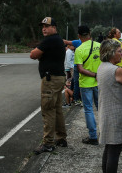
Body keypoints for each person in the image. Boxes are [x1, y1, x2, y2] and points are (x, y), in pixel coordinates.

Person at [97, 39, 122, 173]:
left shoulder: (102, 67)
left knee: (109, 147)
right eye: (119, 51)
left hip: (106, 111)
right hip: (116, 114)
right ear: (111, 53)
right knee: (115, 149)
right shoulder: (116, 70)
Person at [30, 17, 68, 154]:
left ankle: (48, 143)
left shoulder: (49, 40)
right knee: (57, 109)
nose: (44, 28)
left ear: (54, 27)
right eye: (42, 26)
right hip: (59, 77)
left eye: (47, 26)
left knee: (48, 110)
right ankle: (61, 138)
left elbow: (33, 54)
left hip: (50, 79)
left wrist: (39, 53)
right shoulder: (57, 39)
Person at [74, 25, 101, 145]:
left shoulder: (79, 49)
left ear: (79, 36)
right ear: (90, 33)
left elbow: (80, 69)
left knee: (89, 110)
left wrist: (92, 75)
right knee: (101, 109)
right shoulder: (99, 46)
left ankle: (93, 136)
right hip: (99, 82)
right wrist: (97, 75)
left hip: (85, 84)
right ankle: (106, 134)